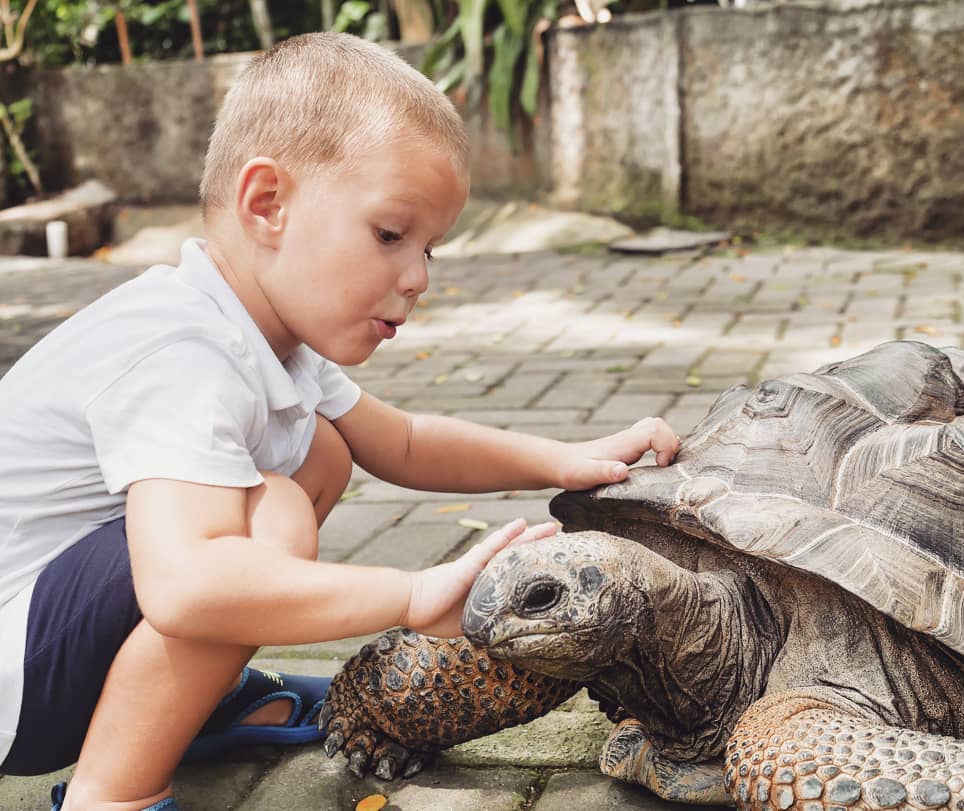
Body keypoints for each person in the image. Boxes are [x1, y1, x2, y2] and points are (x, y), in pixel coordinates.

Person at [0, 32, 680, 811]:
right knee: (272, 507)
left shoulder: (265, 334)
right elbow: (186, 587)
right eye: (391, 234)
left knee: (321, 449)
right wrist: (412, 592)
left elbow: (406, 443)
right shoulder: (180, 350)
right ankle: (112, 792)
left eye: (431, 248)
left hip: (49, 645)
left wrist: (566, 459)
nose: (419, 276)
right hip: (16, 675)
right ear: (268, 204)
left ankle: (185, 702)